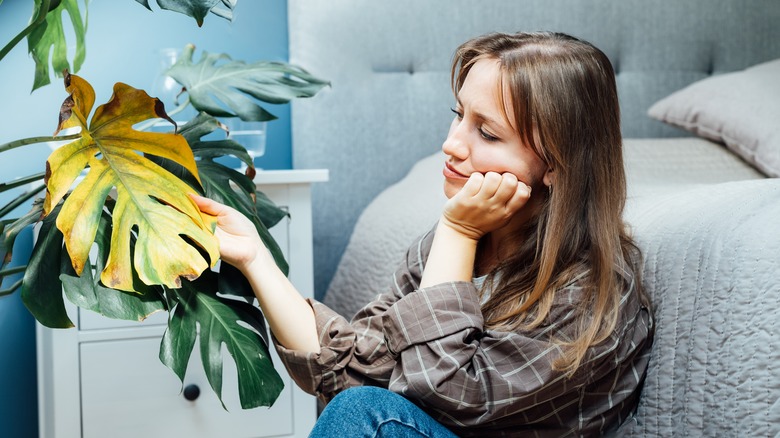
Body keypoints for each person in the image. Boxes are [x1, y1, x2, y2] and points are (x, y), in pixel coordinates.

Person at [193, 31, 653, 437]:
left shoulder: (592, 295)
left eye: (487, 134)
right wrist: (255, 257)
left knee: (367, 413)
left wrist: (458, 229)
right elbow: (353, 369)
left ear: (554, 163)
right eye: (459, 116)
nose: (451, 144)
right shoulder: (450, 248)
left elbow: (432, 392)